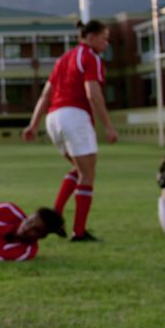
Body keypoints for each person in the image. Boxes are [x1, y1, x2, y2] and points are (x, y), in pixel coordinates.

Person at [22, 20, 116, 242]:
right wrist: (109, 126)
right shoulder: (90, 57)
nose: (106, 42)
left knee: (80, 169)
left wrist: (34, 124)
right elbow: (93, 94)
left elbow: (46, 95)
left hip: (54, 119)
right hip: (74, 116)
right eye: (104, 38)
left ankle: (56, 216)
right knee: (87, 173)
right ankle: (79, 231)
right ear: (90, 37)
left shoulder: (63, 59)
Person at [0, 202, 65, 262]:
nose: (27, 228)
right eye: (29, 221)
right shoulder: (7, 210)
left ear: (41, 237)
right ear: (30, 215)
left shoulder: (26, 250)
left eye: (35, 230)